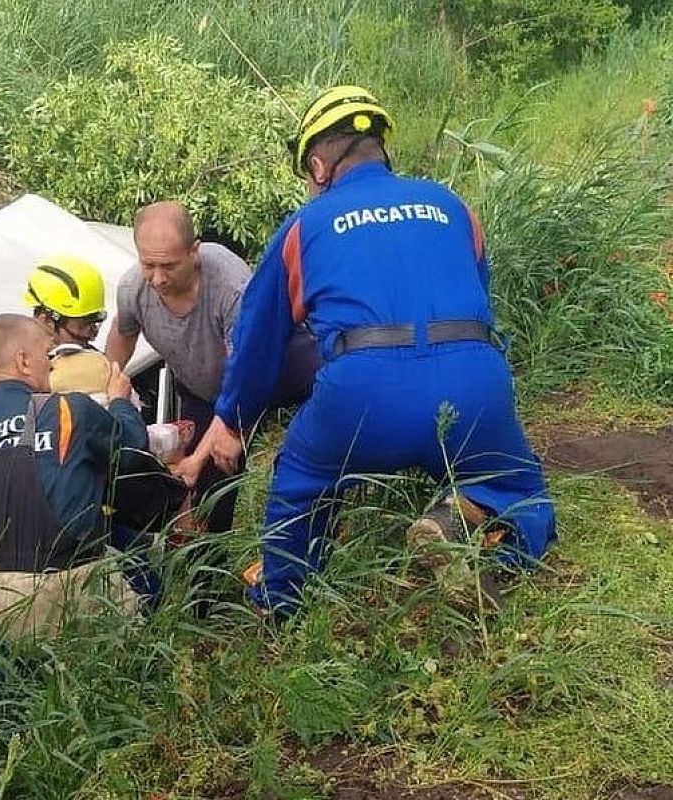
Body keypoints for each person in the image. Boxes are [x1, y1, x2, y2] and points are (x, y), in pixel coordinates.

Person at [200, 85, 556, 615]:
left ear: (319, 167)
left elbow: (259, 336)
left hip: (363, 397)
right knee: (521, 487)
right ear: (382, 149)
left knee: (299, 481)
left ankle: (282, 594)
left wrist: (232, 417)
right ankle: (477, 525)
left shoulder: (304, 226)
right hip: (474, 381)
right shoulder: (453, 206)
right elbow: (480, 299)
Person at [0, 314, 150, 643]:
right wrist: (120, 402)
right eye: (47, 355)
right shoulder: (68, 411)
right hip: (75, 581)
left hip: (0, 594)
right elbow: (133, 453)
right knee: (138, 659)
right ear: (23, 361)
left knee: (45, 677)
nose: (52, 365)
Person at [105, 201, 318, 534]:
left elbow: (246, 371)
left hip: (275, 371)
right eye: (149, 265)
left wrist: (222, 437)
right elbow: (124, 333)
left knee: (310, 452)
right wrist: (109, 385)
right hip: (205, 387)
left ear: (194, 252)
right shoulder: (133, 289)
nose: (158, 278)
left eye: (169, 266)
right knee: (210, 483)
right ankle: (208, 574)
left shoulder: (230, 286)